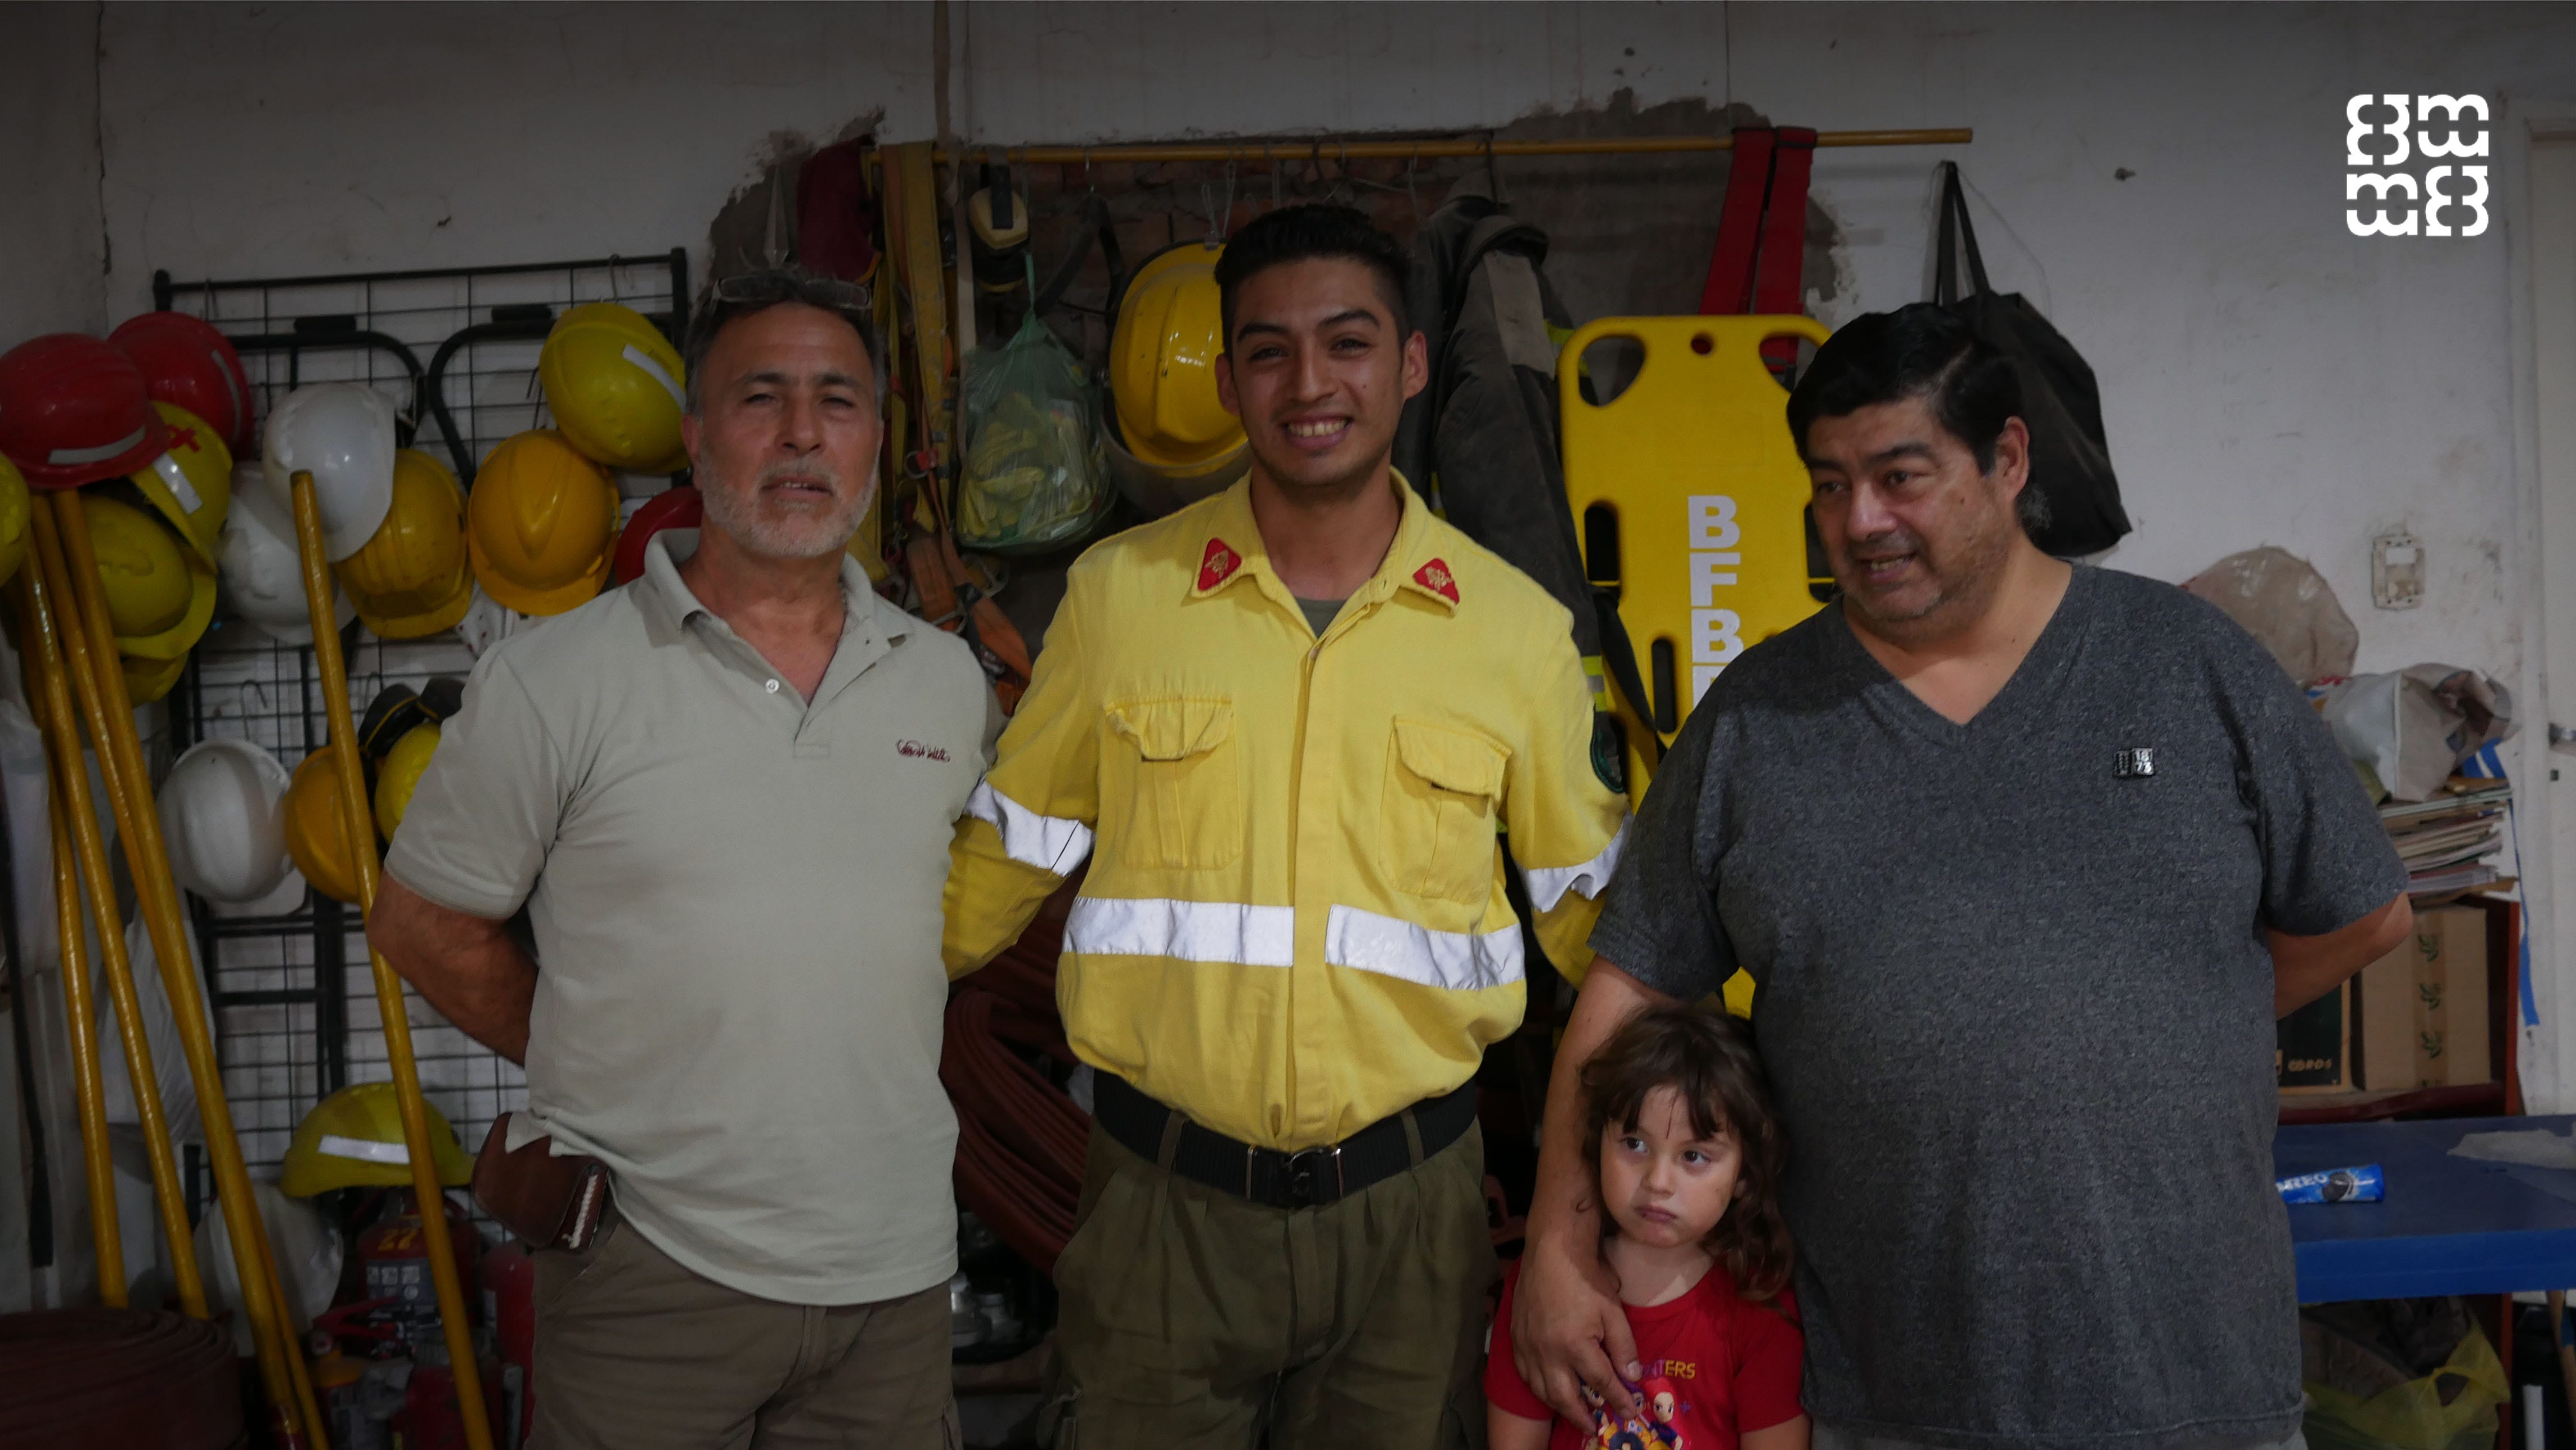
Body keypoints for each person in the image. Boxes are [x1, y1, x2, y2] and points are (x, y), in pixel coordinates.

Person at [1510, 302, 2413, 1450]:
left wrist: (2175, 1016)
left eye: (1900, 476)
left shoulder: (2186, 665)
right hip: (1884, 1392)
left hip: (2190, 1381)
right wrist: (1556, 1244)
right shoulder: (1762, 717)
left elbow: (2366, 911)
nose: (1860, 520)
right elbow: (1627, 988)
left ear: (2007, 459)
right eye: (1829, 484)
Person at [943, 204, 1632, 1447]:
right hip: (1160, 1212)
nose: (1309, 383)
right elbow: (998, 863)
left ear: (1410, 364)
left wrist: (1713, 1080)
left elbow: (1597, 924)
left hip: (1411, 1221)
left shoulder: (1514, 632)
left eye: (1347, 343)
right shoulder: (1120, 599)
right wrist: (810, 1001)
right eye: (1268, 350)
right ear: (1228, 381)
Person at [372, 269, 987, 1449]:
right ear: (696, 437)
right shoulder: (554, 679)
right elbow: (421, 922)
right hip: (650, 1270)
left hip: (893, 1274)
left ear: (875, 436)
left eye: (837, 400)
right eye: (761, 397)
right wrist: (600, 1051)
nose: (802, 433)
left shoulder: (944, 681)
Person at [1487, 1006, 1807, 1450]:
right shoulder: (1543, 1286)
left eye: (1693, 1156)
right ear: (1596, 1143)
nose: (1658, 1182)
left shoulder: (1762, 1309)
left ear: (1746, 1174)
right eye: (1634, 1143)